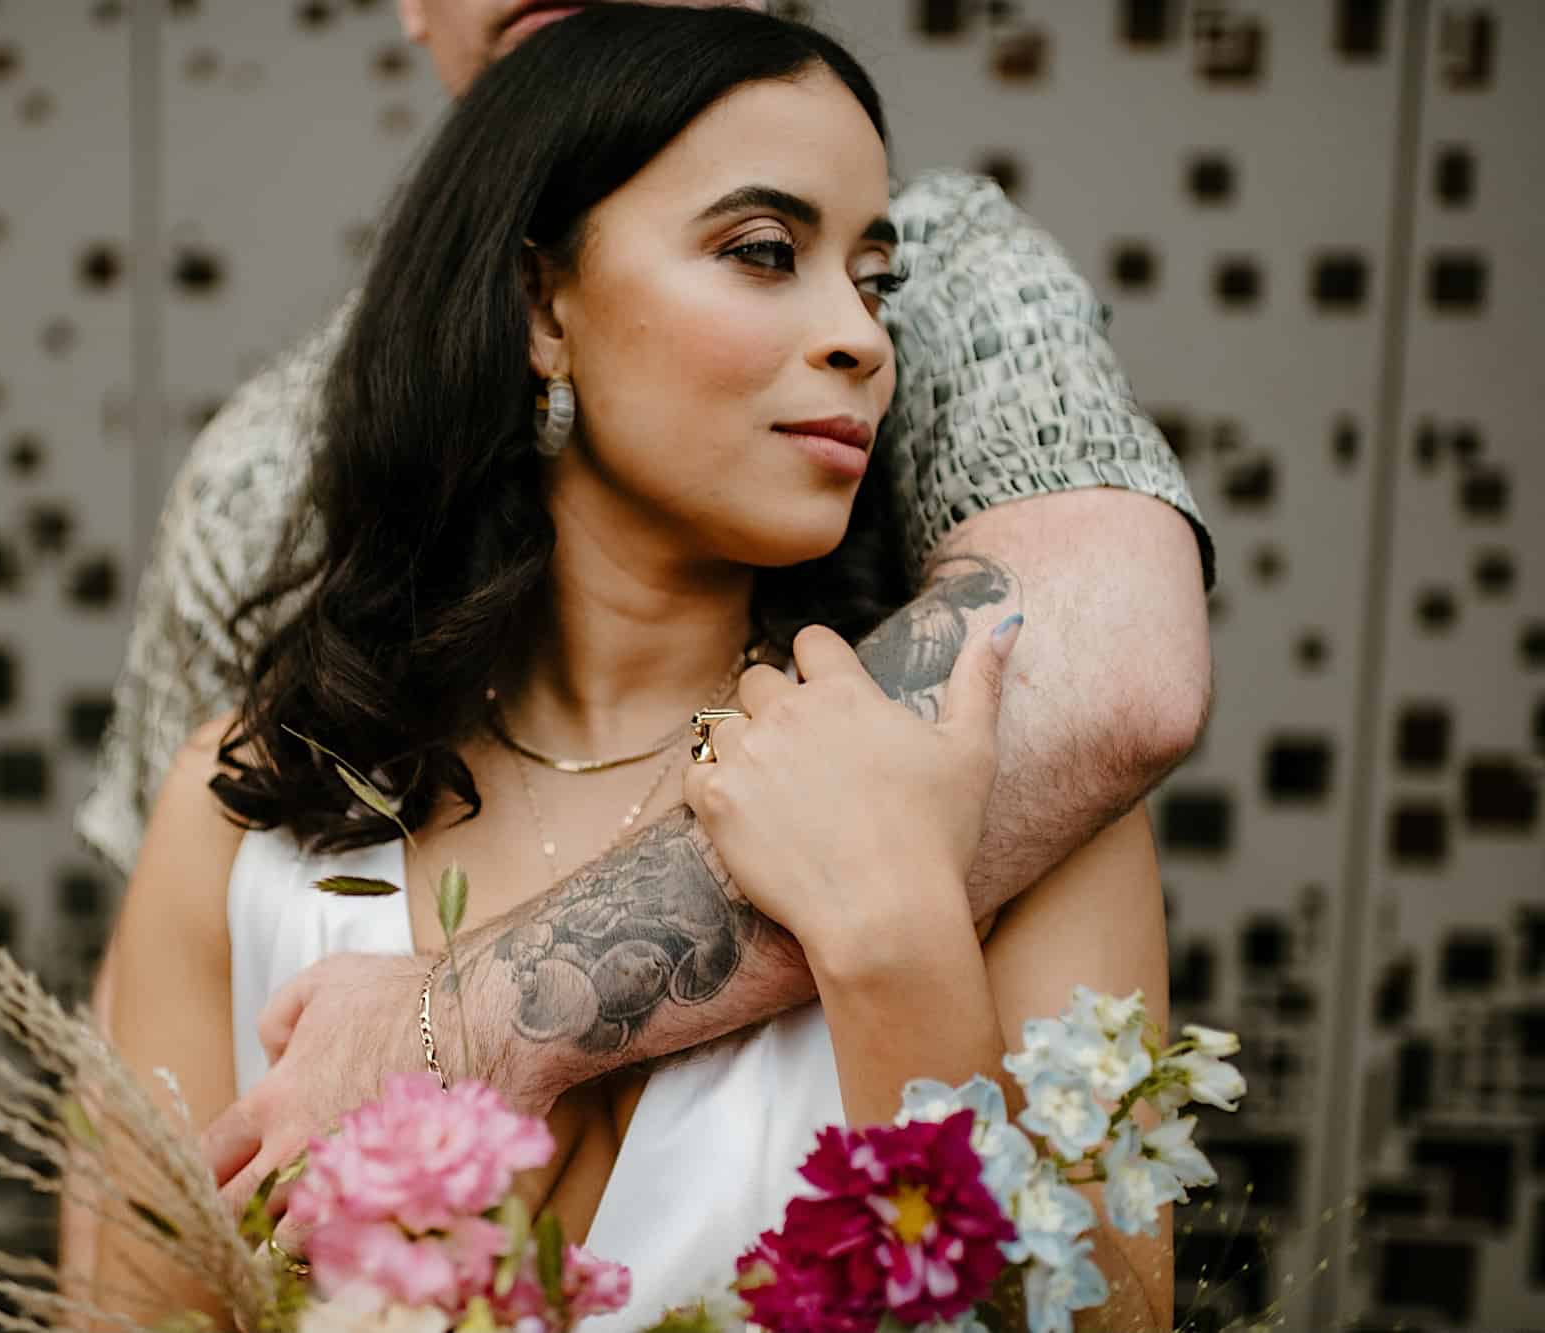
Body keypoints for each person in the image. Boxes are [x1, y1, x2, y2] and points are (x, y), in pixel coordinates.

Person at [83, 8, 1178, 1329]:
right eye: (764, 252)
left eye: (874, 280)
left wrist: (895, 938)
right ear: (547, 306)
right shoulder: (241, 811)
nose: (862, 338)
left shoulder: (1001, 786)